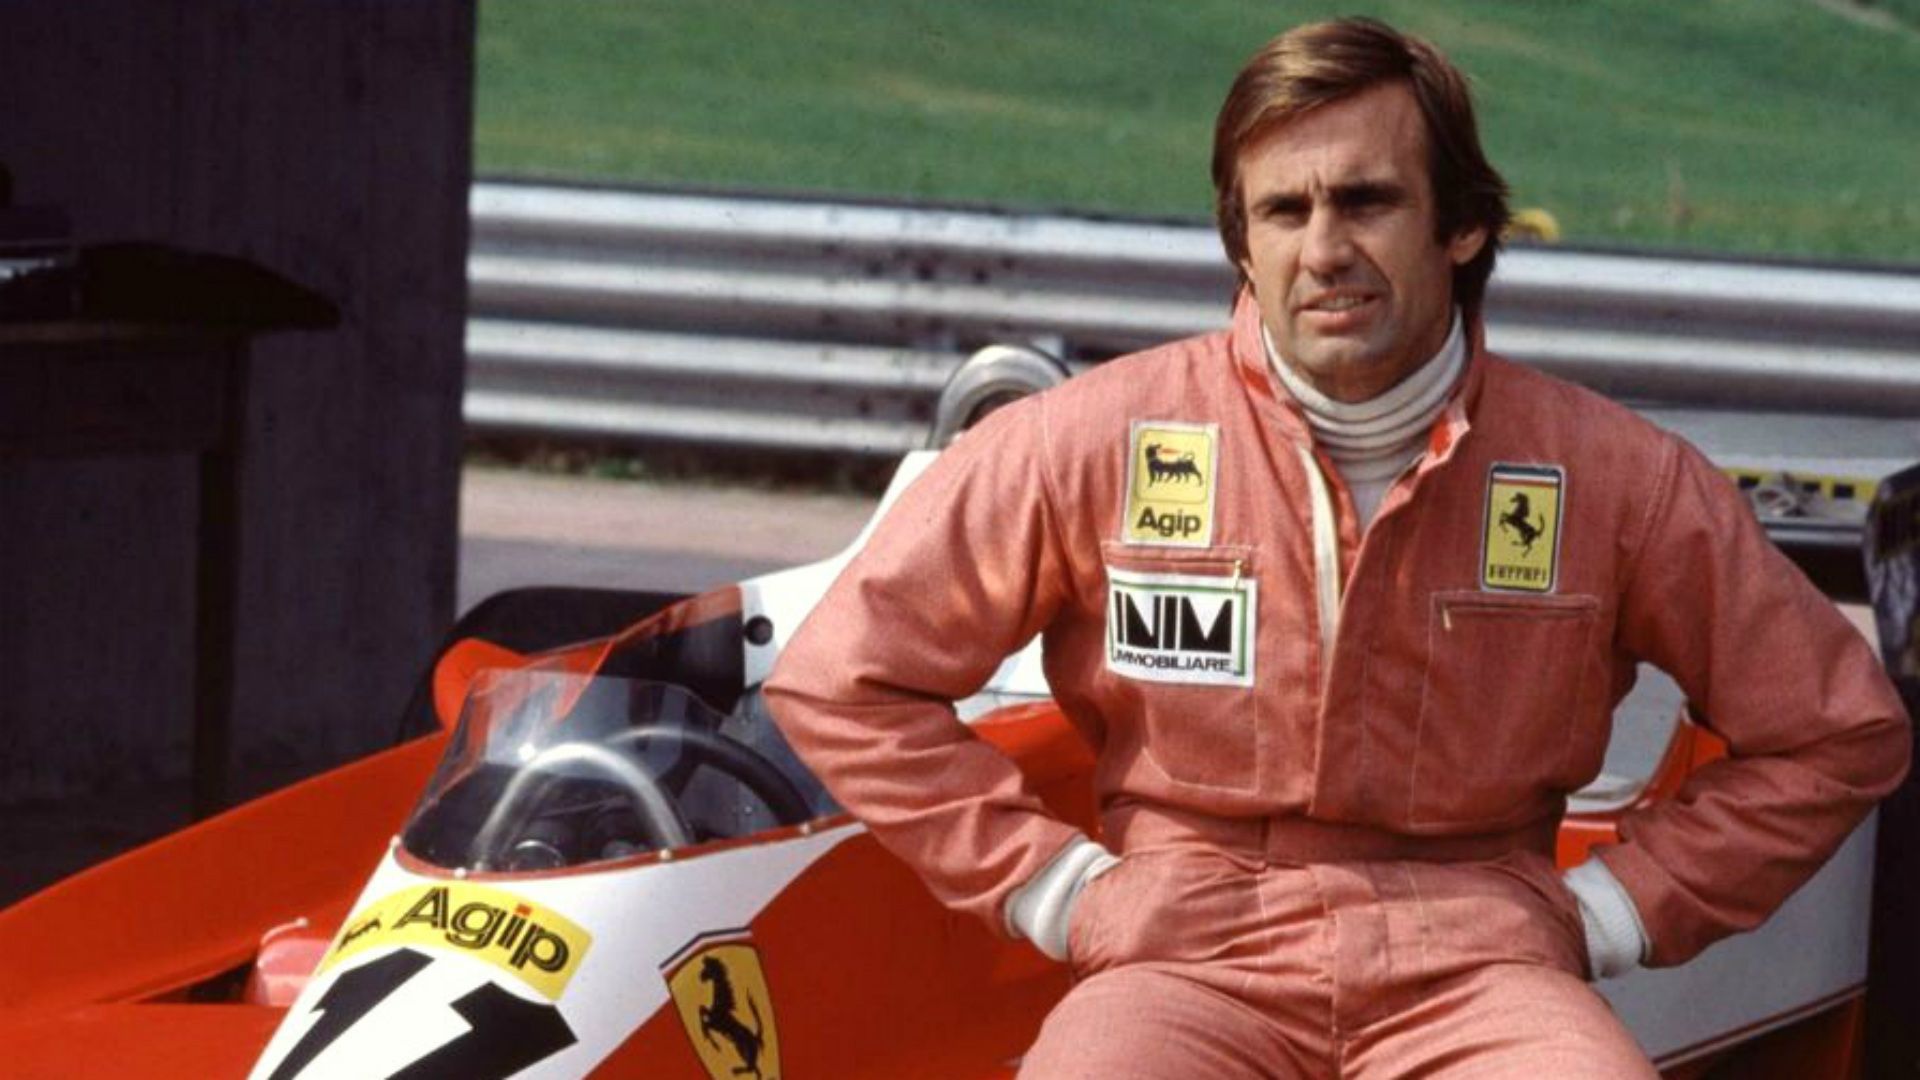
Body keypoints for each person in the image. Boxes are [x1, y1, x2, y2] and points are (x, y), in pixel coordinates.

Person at [765, 17, 1910, 1078]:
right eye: (1283, 211)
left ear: (1462, 225)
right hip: (1183, 960)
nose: (1324, 249)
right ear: (1241, 243)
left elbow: (1837, 730)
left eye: (1366, 201)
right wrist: (1061, 889)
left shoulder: (1611, 476)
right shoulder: (1091, 442)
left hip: (1480, 964)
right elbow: (841, 677)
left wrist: (1614, 909)